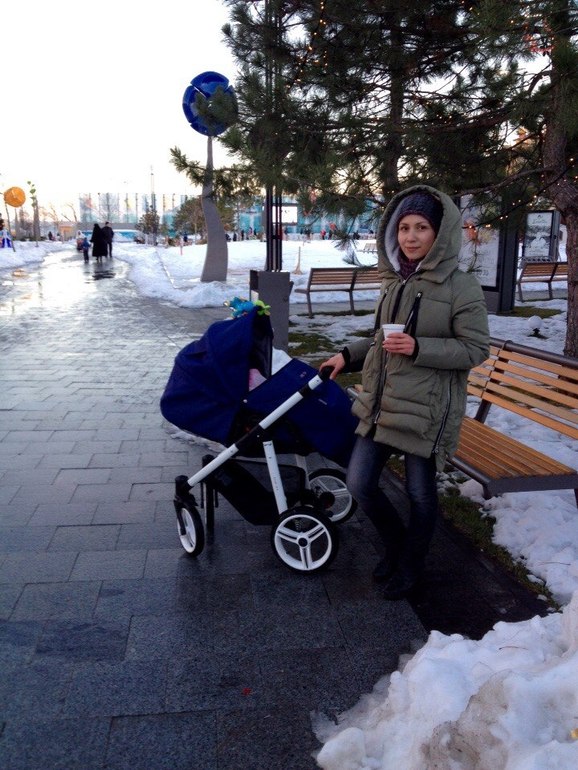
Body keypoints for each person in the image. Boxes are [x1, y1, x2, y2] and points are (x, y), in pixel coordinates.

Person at [321, 186, 489, 600]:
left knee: (420, 494)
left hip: (427, 408)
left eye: (421, 227)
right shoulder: (394, 281)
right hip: (383, 403)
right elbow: (382, 339)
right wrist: (347, 355)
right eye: (404, 228)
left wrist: (419, 347)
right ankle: (397, 547)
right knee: (360, 483)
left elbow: (475, 349)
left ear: (440, 233)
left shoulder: (460, 286)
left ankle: (412, 565)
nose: (411, 237)